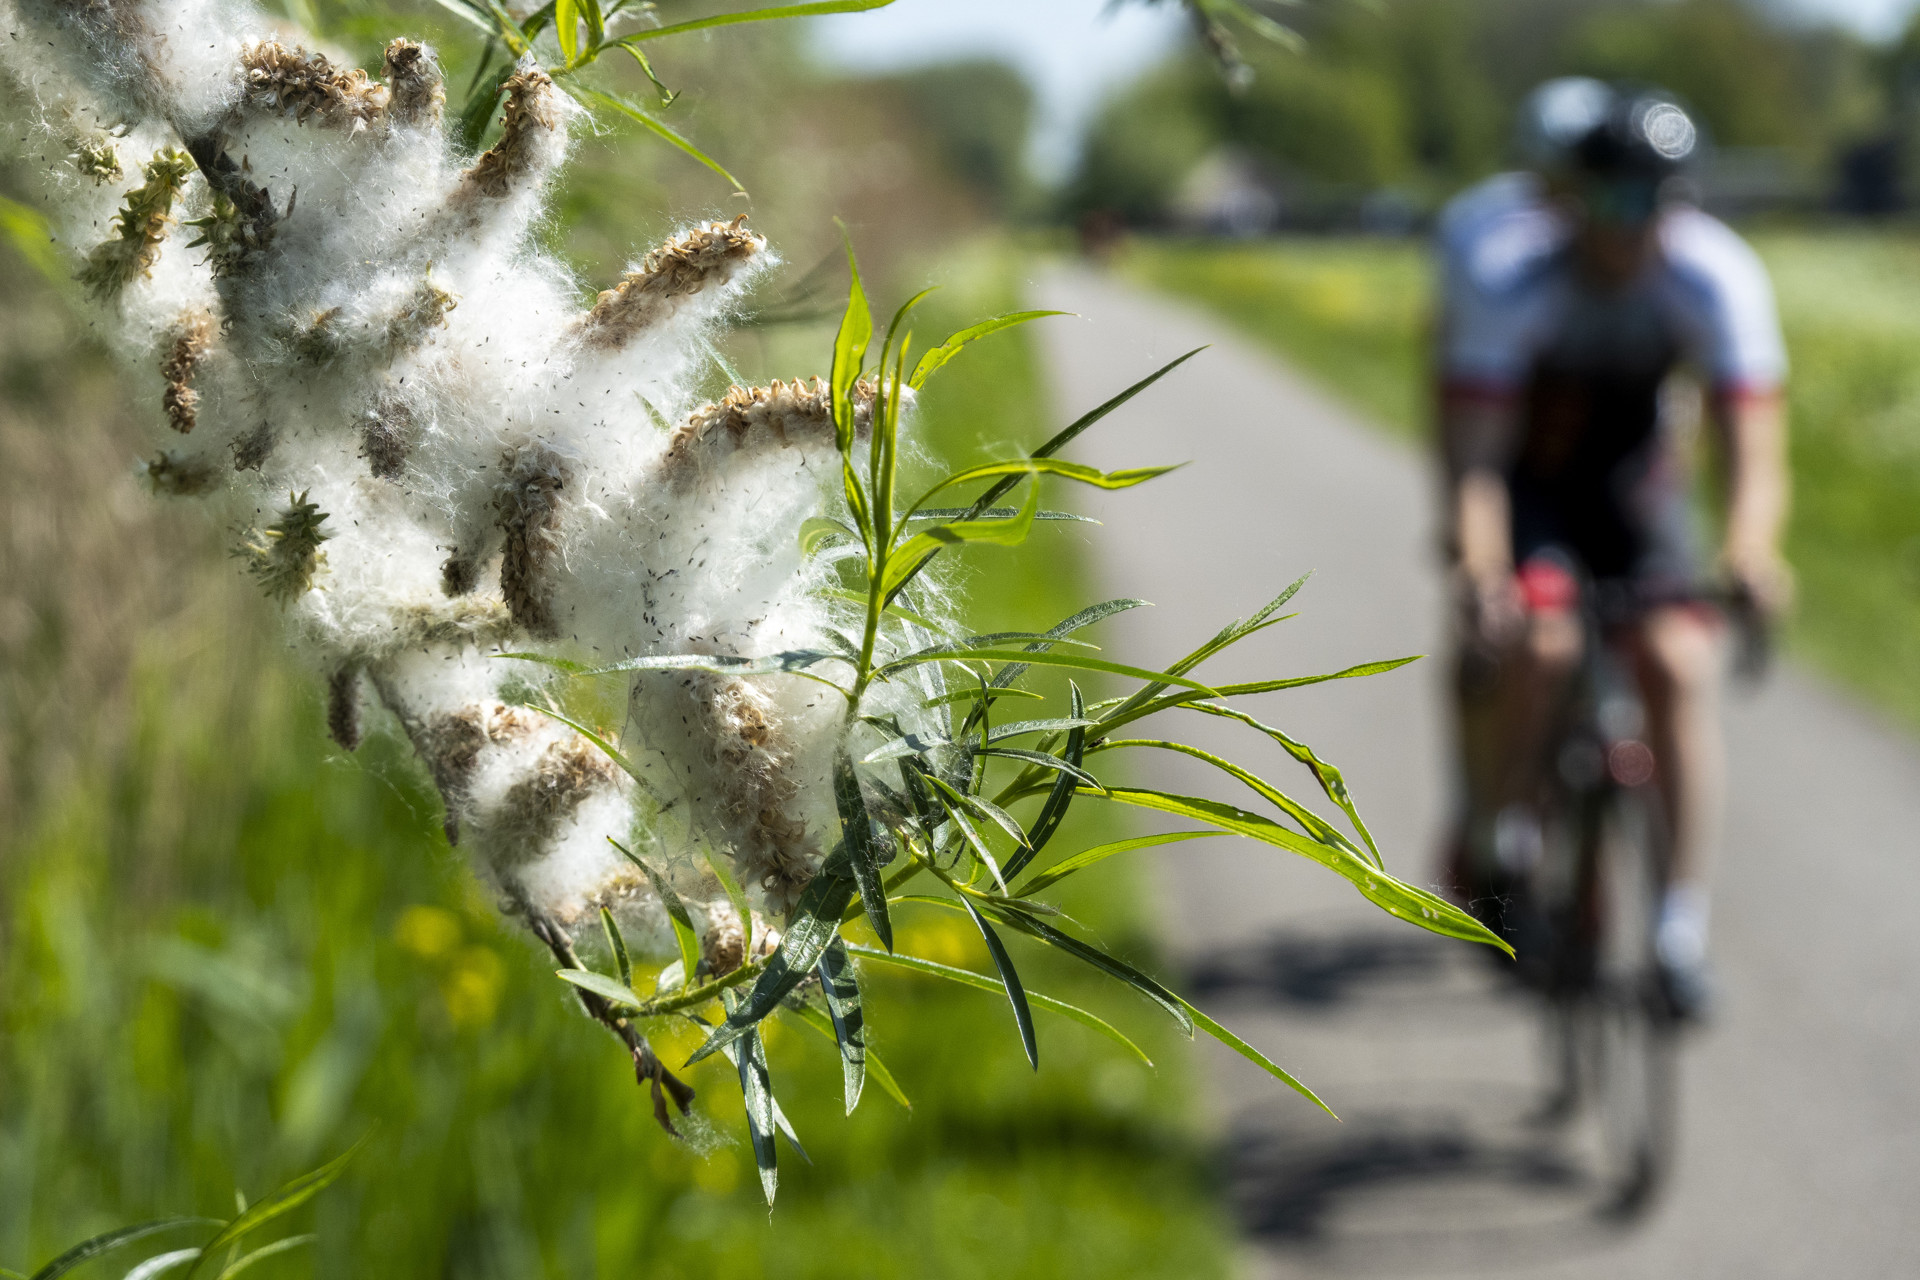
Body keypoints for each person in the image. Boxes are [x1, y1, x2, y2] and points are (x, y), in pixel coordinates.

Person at [1435, 80, 1792, 1020]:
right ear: (1566, 200)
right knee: (1542, 643)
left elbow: (1752, 450)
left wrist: (1752, 553)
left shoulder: (1717, 277)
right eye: (1614, 200)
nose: (1637, 226)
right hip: (1535, 482)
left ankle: (1679, 930)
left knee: (1678, 659)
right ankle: (1506, 843)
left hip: (1636, 485)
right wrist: (1480, 566)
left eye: (1663, 202)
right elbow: (1474, 457)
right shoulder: (1512, 274)